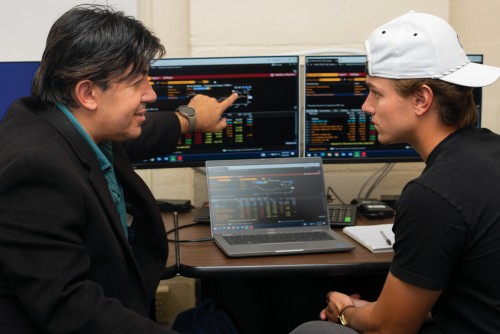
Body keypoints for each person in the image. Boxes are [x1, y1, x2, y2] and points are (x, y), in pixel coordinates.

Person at [0, 4, 237, 334]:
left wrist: (189, 120)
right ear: (88, 93)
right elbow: (72, 310)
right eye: (138, 82)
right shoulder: (36, 169)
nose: (151, 95)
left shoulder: (66, 122)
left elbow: (144, 133)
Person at [290, 11, 500, 334]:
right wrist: (379, 310)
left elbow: (390, 329)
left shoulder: (433, 196)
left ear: (421, 99)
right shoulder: (489, 153)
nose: (366, 106)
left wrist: (346, 312)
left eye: (376, 92)